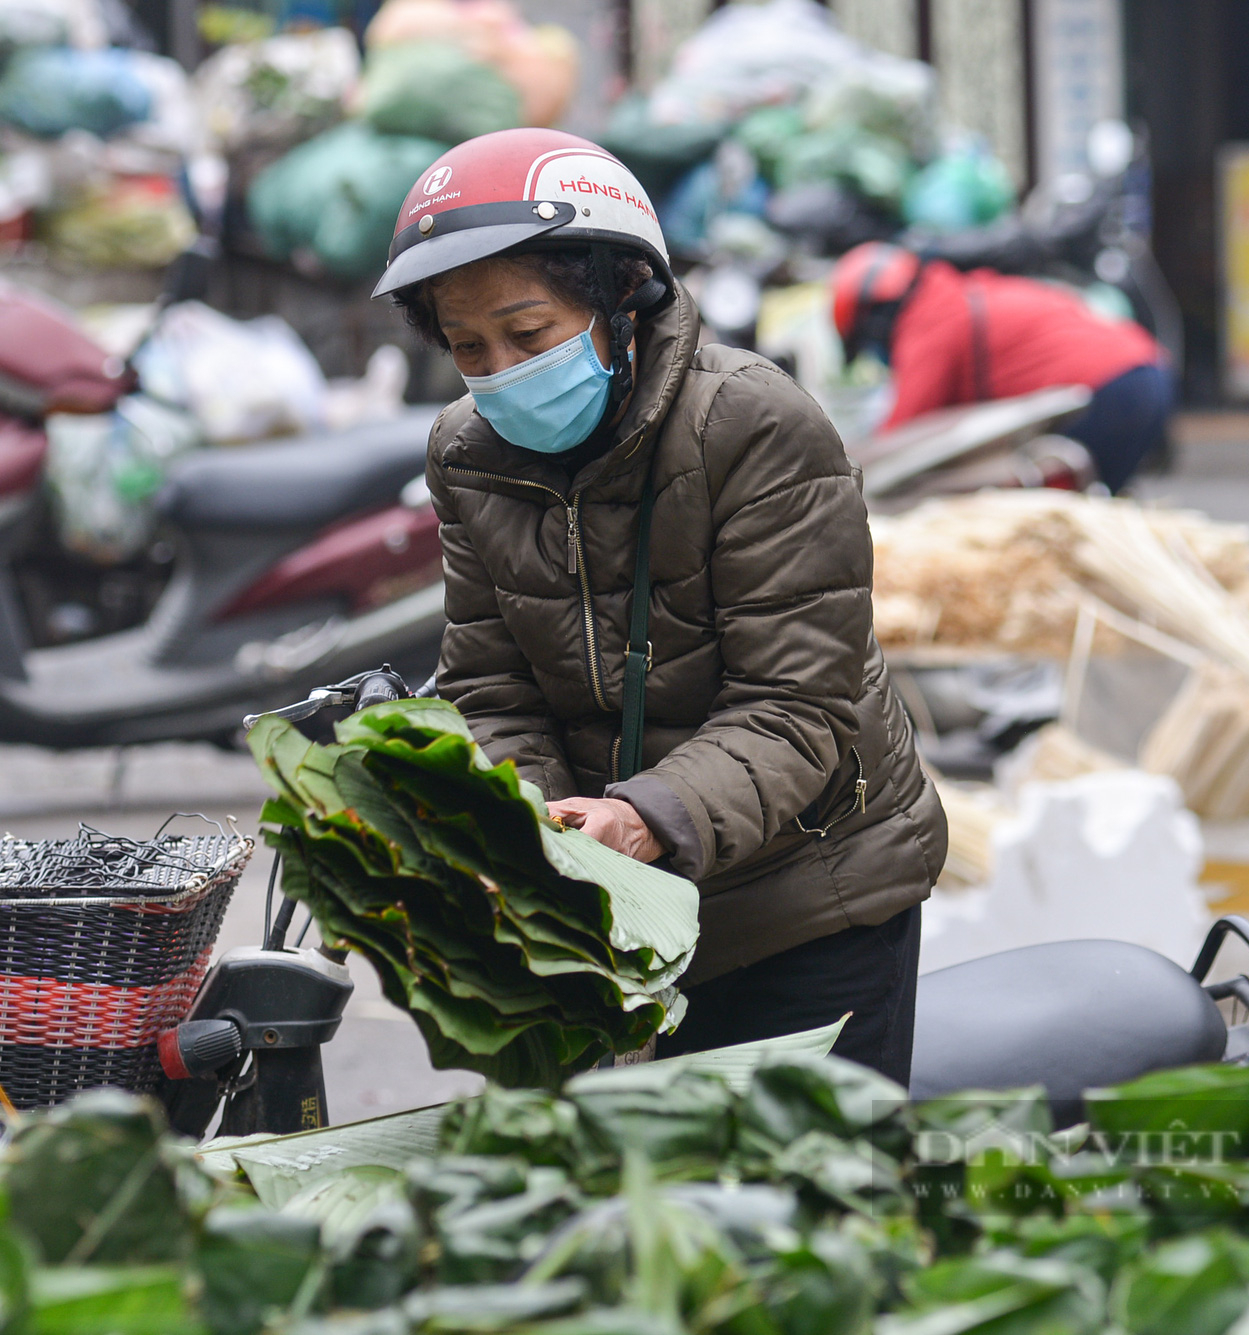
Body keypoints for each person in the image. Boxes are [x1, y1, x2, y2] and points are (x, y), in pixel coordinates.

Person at [373, 129, 946, 1083]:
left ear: (622, 303)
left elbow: (798, 708)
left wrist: (643, 819)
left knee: (800, 1211)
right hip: (617, 911)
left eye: (530, 333)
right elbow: (490, 686)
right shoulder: (465, 455)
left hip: (807, 893)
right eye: (469, 347)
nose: (501, 370)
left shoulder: (755, 425)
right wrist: (524, 825)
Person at [831, 241, 1172, 492]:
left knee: (1066, 519)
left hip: (1111, 389)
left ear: (874, 321)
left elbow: (900, 442)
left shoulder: (929, 325)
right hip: (1147, 371)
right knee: (1101, 503)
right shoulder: (955, 294)